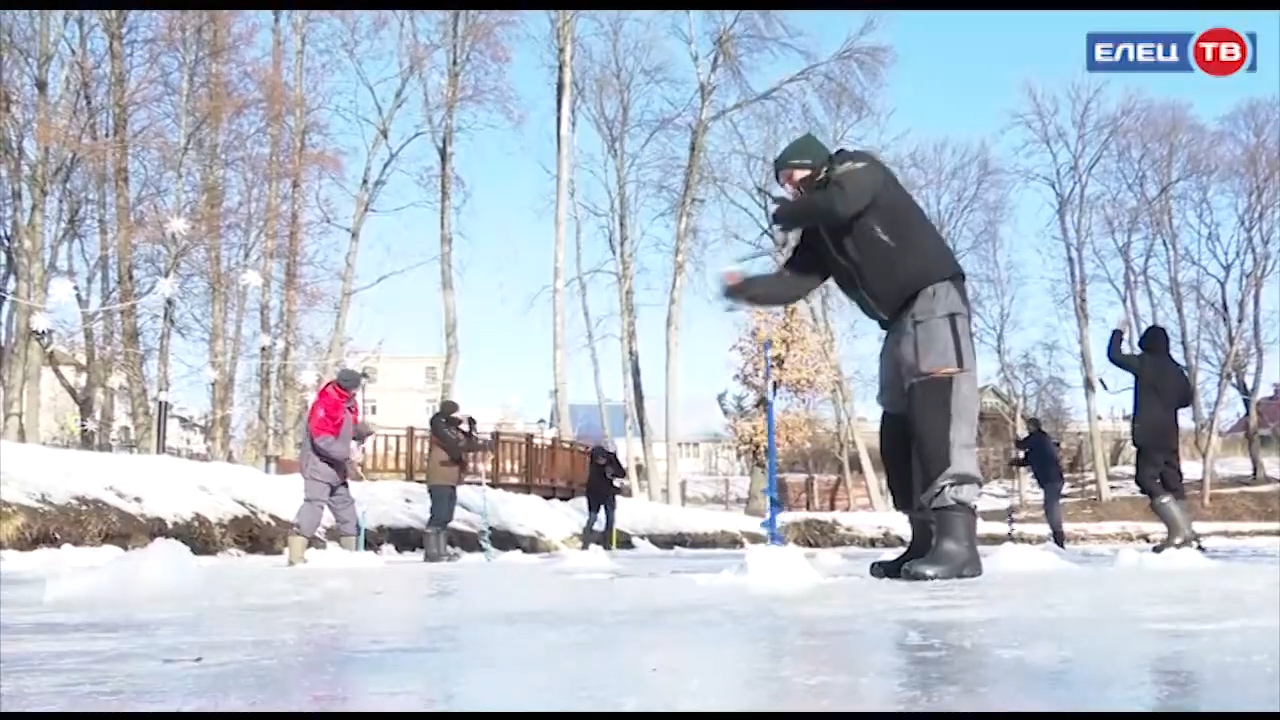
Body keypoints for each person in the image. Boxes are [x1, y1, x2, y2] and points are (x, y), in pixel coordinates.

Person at [723, 133, 983, 581]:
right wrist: (743, 289)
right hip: (897, 323)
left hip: (936, 302)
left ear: (814, 164)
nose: (790, 189)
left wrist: (791, 212)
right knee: (900, 428)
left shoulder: (858, 171)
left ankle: (959, 544)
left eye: (793, 177)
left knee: (938, 415)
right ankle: (923, 541)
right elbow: (794, 282)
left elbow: (841, 202)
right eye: (784, 184)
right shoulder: (821, 231)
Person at [1107, 319, 1199, 552]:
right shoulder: (1176, 370)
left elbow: (1115, 356)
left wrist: (1119, 331)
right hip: (1170, 434)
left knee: (1146, 479)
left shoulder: (1144, 363)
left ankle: (1178, 533)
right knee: (1173, 482)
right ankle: (1189, 534)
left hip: (1149, 433)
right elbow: (1186, 399)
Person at [288, 368, 375, 566]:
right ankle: (295, 555)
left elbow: (344, 429)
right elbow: (322, 438)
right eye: (356, 387)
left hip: (337, 468)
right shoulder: (326, 403)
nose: (357, 391)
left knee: (346, 508)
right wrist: (345, 454)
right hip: (318, 465)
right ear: (348, 386)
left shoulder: (349, 404)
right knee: (314, 505)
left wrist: (358, 431)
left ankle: (350, 554)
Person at [424, 400, 487, 562]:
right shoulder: (439, 427)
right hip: (439, 476)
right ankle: (432, 552)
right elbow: (456, 445)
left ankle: (441, 551)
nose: (458, 417)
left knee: (446, 515)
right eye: (455, 414)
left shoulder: (454, 429)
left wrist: (473, 429)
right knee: (439, 513)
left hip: (451, 478)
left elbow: (470, 443)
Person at [1011, 418, 1067, 549]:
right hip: (1051, 479)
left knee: (1051, 509)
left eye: (1029, 426)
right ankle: (1057, 537)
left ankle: (1059, 538)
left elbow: (1021, 445)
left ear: (1034, 427)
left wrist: (1014, 438)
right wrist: (1015, 462)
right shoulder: (1039, 443)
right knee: (1050, 509)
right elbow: (1028, 459)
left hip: (1051, 479)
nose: (1028, 428)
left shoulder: (1038, 437)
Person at [582, 445, 627, 550]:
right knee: (593, 518)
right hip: (594, 494)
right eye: (598, 459)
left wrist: (613, 472)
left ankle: (607, 543)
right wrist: (616, 490)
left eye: (602, 458)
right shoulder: (594, 468)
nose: (600, 461)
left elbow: (622, 473)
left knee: (610, 519)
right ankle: (585, 543)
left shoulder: (611, 459)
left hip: (609, 495)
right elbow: (597, 484)